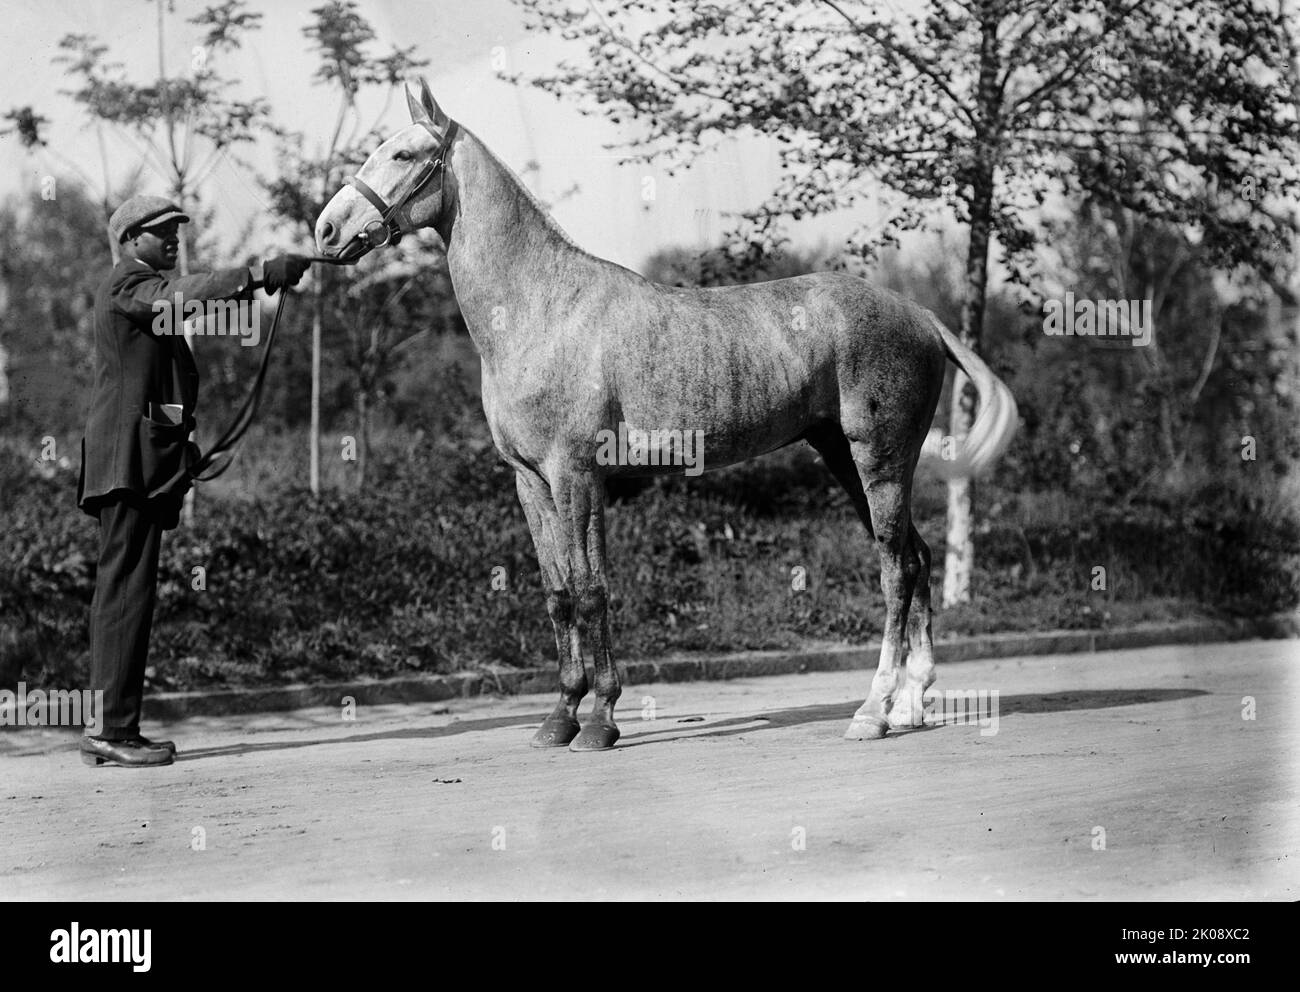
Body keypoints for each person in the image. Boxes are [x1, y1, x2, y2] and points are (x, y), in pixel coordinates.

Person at [77, 194, 311, 768]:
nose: (175, 239)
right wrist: (256, 274)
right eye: (163, 231)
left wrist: (181, 446)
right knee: (124, 594)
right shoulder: (128, 285)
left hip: (140, 465)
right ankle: (111, 731)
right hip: (124, 468)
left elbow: (164, 370)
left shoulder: (142, 293)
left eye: (177, 230)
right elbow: (179, 297)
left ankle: (114, 728)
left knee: (128, 592)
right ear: (131, 239)